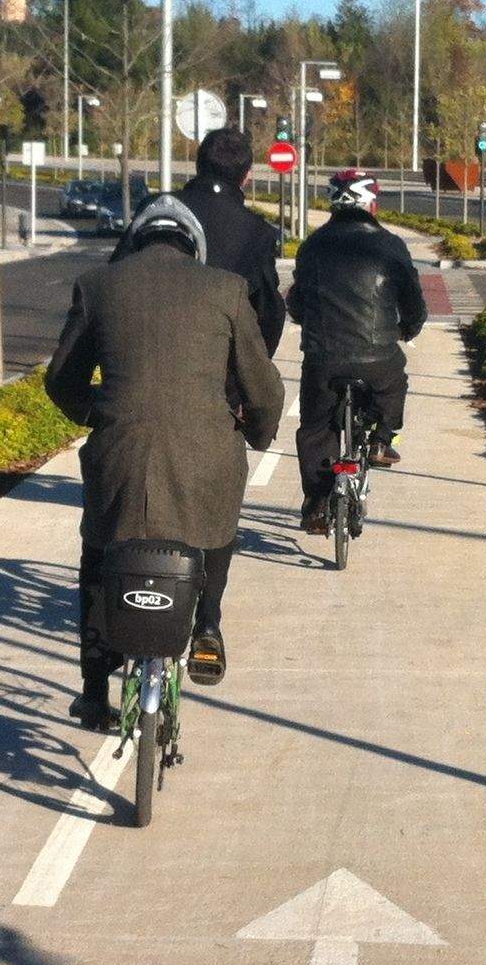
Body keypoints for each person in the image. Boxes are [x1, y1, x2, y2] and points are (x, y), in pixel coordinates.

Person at [45, 196, 283, 725]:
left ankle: (93, 688)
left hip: (120, 458)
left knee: (97, 553)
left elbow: (61, 379)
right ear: (192, 246)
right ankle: (208, 627)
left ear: (135, 241)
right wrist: (257, 434)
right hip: (207, 457)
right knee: (218, 530)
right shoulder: (226, 289)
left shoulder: (98, 286)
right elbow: (263, 387)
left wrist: (97, 414)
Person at [287, 170, 426, 535]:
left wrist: (307, 320)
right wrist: (408, 328)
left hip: (323, 358)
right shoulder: (390, 245)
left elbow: (297, 303)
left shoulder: (312, 246)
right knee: (394, 382)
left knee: (316, 427)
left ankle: (318, 502)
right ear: (371, 204)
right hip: (378, 354)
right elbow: (413, 301)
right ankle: (381, 441)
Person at [112, 127, 284, 355]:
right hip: (216, 369)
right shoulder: (258, 233)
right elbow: (268, 317)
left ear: (198, 166)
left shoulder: (158, 208)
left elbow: (115, 277)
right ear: (246, 177)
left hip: (143, 352)